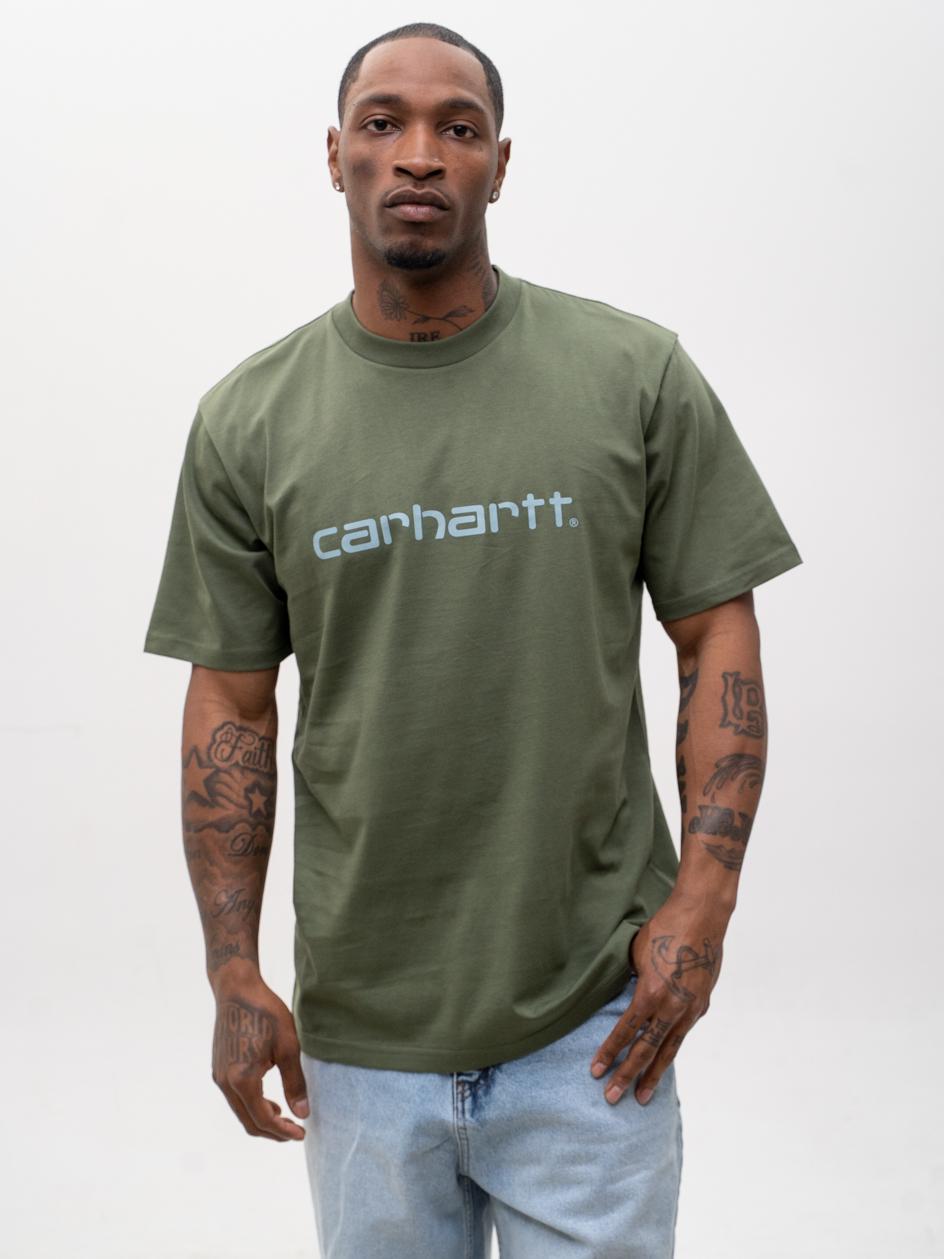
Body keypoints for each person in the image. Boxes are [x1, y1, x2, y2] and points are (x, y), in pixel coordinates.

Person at [143, 21, 803, 1259]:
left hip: (595, 1017)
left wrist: (702, 901)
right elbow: (230, 701)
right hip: (362, 1035)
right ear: (333, 155)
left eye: (456, 127)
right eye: (382, 122)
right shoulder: (249, 420)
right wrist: (231, 969)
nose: (417, 153)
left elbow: (714, 623)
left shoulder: (630, 373)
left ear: (499, 165)